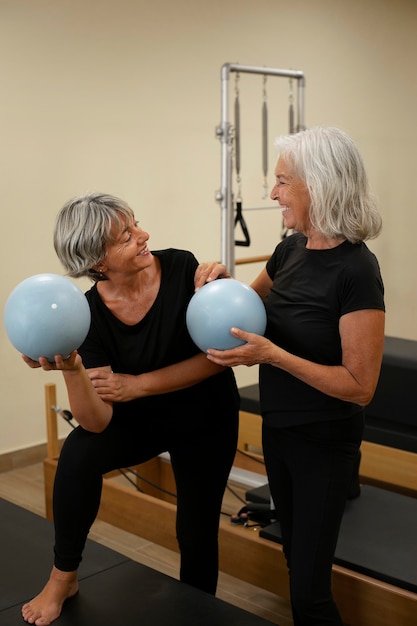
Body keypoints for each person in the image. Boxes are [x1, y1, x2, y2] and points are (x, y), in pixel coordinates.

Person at [196, 127, 385, 626]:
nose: (273, 194)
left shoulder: (356, 270)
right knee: (293, 562)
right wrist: (220, 284)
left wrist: (274, 356)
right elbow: (248, 306)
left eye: (282, 181)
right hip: (279, 432)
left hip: (325, 441)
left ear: (318, 185)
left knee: (309, 593)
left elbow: (360, 386)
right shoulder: (289, 250)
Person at [21, 193, 240, 626]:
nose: (144, 236)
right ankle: (64, 577)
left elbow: (218, 357)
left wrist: (137, 384)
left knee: (195, 531)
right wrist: (72, 366)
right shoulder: (84, 314)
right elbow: (97, 420)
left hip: (206, 413)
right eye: (127, 236)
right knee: (78, 453)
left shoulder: (181, 269)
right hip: (145, 420)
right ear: (98, 262)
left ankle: (197, 613)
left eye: (136, 224)